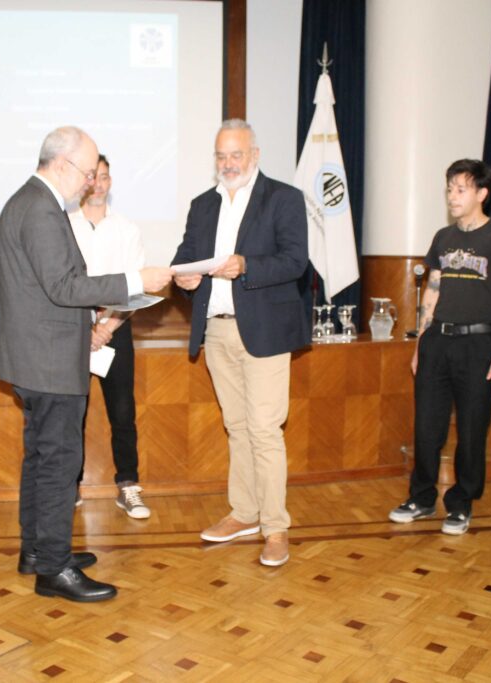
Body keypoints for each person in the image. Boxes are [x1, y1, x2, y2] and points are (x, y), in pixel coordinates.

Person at [0, 126, 172, 601]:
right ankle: (54, 569)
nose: (91, 182)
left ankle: (37, 550)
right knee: (58, 462)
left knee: (42, 457)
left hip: (38, 355)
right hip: (47, 361)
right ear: (63, 164)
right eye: (88, 173)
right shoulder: (41, 209)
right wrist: (136, 279)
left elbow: (45, 290)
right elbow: (64, 287)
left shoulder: (28, 202)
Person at [171, 119, 309, 567]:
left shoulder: (283, 198)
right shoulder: (202, 204)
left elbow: (295, 261)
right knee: (237, 427)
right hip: (216, 331)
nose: (228, 163)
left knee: (265, 430)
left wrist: (246, 265)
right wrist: (183, 277)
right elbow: (184, 257)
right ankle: (245, 513)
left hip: (265, 332)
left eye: (236, 155)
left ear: (255, 155)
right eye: (221, 156)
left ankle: (276, 528)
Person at [388, 159, 491, 535]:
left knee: (472, 428)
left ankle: (461, 503)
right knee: (427, 427)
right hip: (437, 343)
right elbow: (432, 292)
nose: (452, 196)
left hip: (480, 345)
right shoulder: (443, 238)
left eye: (461, 189)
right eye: (449, 188)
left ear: (482, 194)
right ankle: (421, 497)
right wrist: (421, 343)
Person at [68, 155, 151, 520]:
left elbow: (136, 286)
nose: (98, 184)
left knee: (123, 412)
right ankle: (69, 487)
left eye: (104, 177)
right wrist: (87, 327)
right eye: (92, 177)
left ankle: (128, 486)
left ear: (110, 181)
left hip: (116, 329)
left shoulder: (127, 229)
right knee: (72, 412)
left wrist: (106, 327)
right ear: (83, 182)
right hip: (73, 331)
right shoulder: (65, 226)